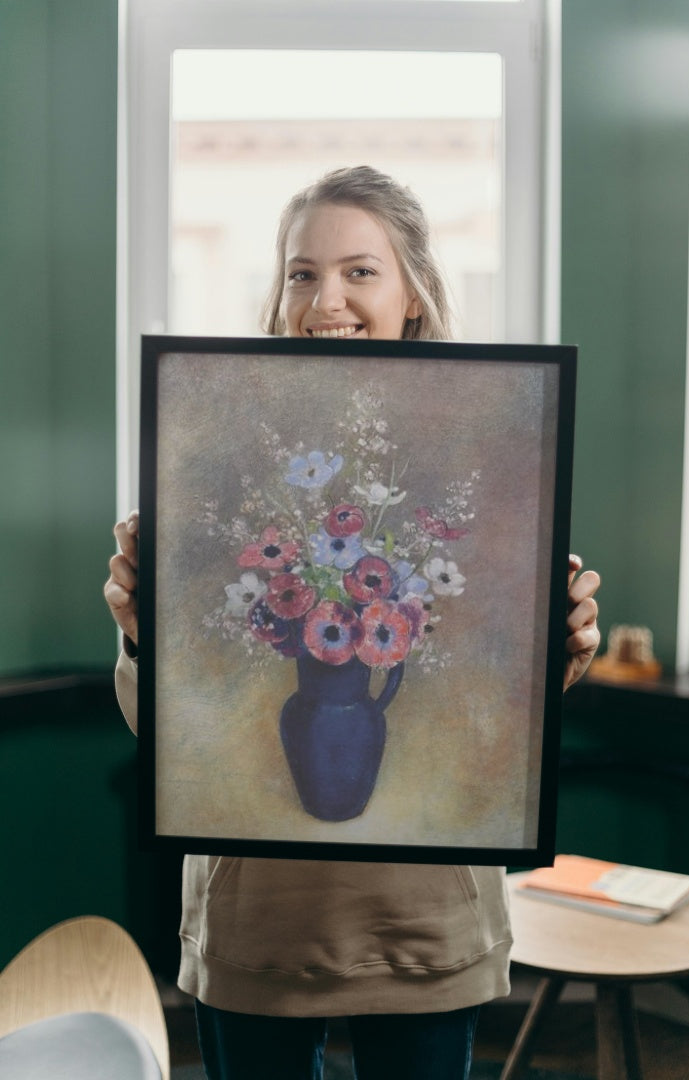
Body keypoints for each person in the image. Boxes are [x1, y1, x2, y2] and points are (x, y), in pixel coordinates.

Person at [105, 166, 601, 1080]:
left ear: (413, 291)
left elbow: (499, 708)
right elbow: (168, 730)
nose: (324, 298)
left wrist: (556, 647)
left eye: (359, 271)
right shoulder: (214, 451)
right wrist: (143, 634)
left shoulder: (492, 458)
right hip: (257, 924)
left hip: (424, 923)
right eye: (301, 272)